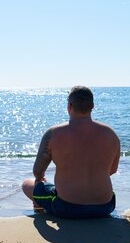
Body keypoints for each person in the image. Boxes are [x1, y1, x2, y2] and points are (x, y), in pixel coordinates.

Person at [22, 86, 120, 218]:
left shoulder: (53, 134)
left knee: (27, 184)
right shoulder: (110, 134)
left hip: (67, 207)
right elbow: (112, 171)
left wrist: (41, 180)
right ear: (92, 106)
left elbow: (38, 172)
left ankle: (39, 204)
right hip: (105, 206)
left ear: (69, 106)